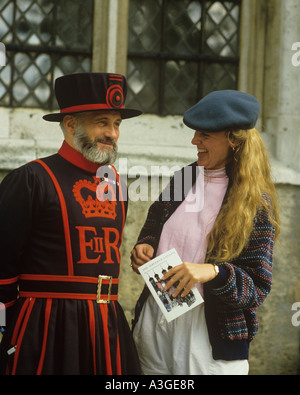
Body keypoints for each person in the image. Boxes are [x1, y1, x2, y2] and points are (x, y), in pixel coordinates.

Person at [0, 72, 142, 375]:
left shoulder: (117, 185)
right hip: (45, 327)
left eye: (116, 123)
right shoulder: (31, 179)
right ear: (70, 124)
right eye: (102, 122)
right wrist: (7, 329)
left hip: (106, 328)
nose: (113, 134)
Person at [130, 90, 280, 375]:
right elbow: (151, 231)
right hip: (156, 321)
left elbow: (257, 287)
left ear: (233, 140)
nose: (194, 141)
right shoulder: (184, 178)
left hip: (209, 338)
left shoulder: (255, 202)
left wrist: (212, 272)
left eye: (204, 135)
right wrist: (144, 249)